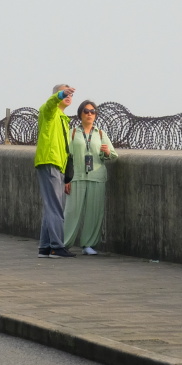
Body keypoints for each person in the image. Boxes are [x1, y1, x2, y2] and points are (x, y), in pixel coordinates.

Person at [63, 100, 118, 255]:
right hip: (76, 176)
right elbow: (66, 156)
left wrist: (107, 152)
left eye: (92, 112)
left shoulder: (100, 133)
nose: (89, 114)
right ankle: (64, 243)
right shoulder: (72, 133)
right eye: (86, 111)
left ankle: (88, 244)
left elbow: (113, 155)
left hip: (97, 176)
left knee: (94, 212)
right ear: (80, 114)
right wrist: (66, 179)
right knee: (71, 211)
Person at [35, 84, 76, 258]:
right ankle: (57, 247)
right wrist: (60, 95)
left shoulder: (63, 119)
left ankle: (45, 247)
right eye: (64, 94)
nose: (68, 96)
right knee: (56, 207)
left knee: (51, 207)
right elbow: (50, 104)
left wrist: (66, 176)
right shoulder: (49, 112)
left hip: (57, 164)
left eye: (70, 94)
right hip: (50, 161)